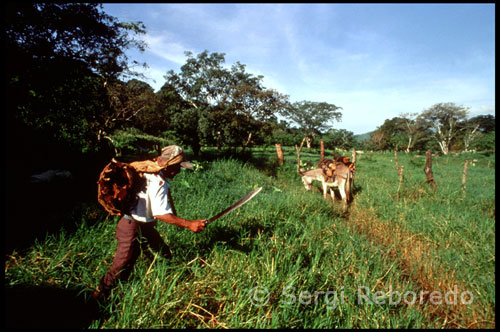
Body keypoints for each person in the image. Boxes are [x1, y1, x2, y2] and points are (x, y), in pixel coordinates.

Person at [94, 145, 207, 299]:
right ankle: (100, 296)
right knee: (121, 266)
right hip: (132, 227)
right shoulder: (158, 181)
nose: (179, 171)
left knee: (162, 253)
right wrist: (189, 224)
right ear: (169, 167)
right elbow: (161, 214)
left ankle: (165, 281)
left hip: (141, 225)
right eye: (177, 167)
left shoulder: (148, 170)